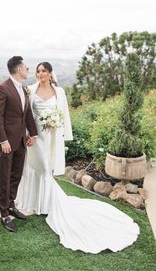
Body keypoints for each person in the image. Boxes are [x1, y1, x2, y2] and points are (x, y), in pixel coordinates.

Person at [16, 62, 140, 253]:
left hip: (49, 137)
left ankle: (49, 202)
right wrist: (25, 133)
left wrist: (58, 127)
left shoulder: (59, 92)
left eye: (44, 71)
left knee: (44, 169)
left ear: (50, 73)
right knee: (33, 167)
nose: (40, 73)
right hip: (33, 136)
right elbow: (25, 114)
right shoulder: (29, 90)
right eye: (38, 71)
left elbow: (63, 114)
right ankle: (35, 202)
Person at [0, 56, 38, 232]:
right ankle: (4, 214)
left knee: (16, 175)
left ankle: (11, 205)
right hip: (6, 143)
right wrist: (3, 140)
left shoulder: (24, 89)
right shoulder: (2, 88)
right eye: (26, 67)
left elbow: (26, 115)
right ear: (19, 69)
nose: (28, 70)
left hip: (20, 141)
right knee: (4, 177)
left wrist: (32, 134)